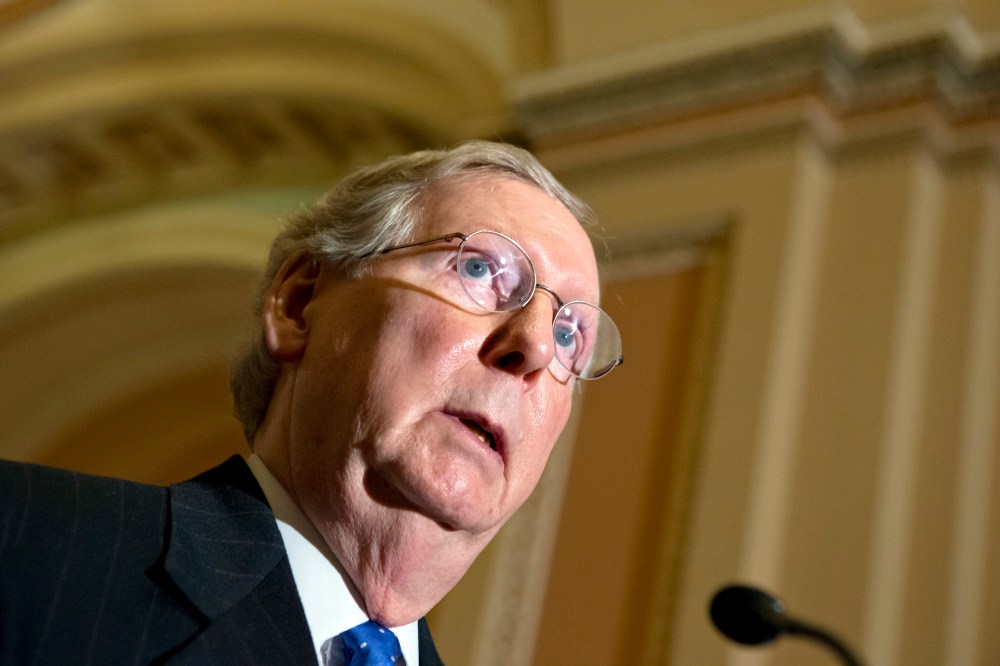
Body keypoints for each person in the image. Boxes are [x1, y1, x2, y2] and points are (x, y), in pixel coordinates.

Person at [0, 140, 623, 665]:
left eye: (571, 334)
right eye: (483, 271)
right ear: (299, 305)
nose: (537, 346)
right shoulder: (29, 546)